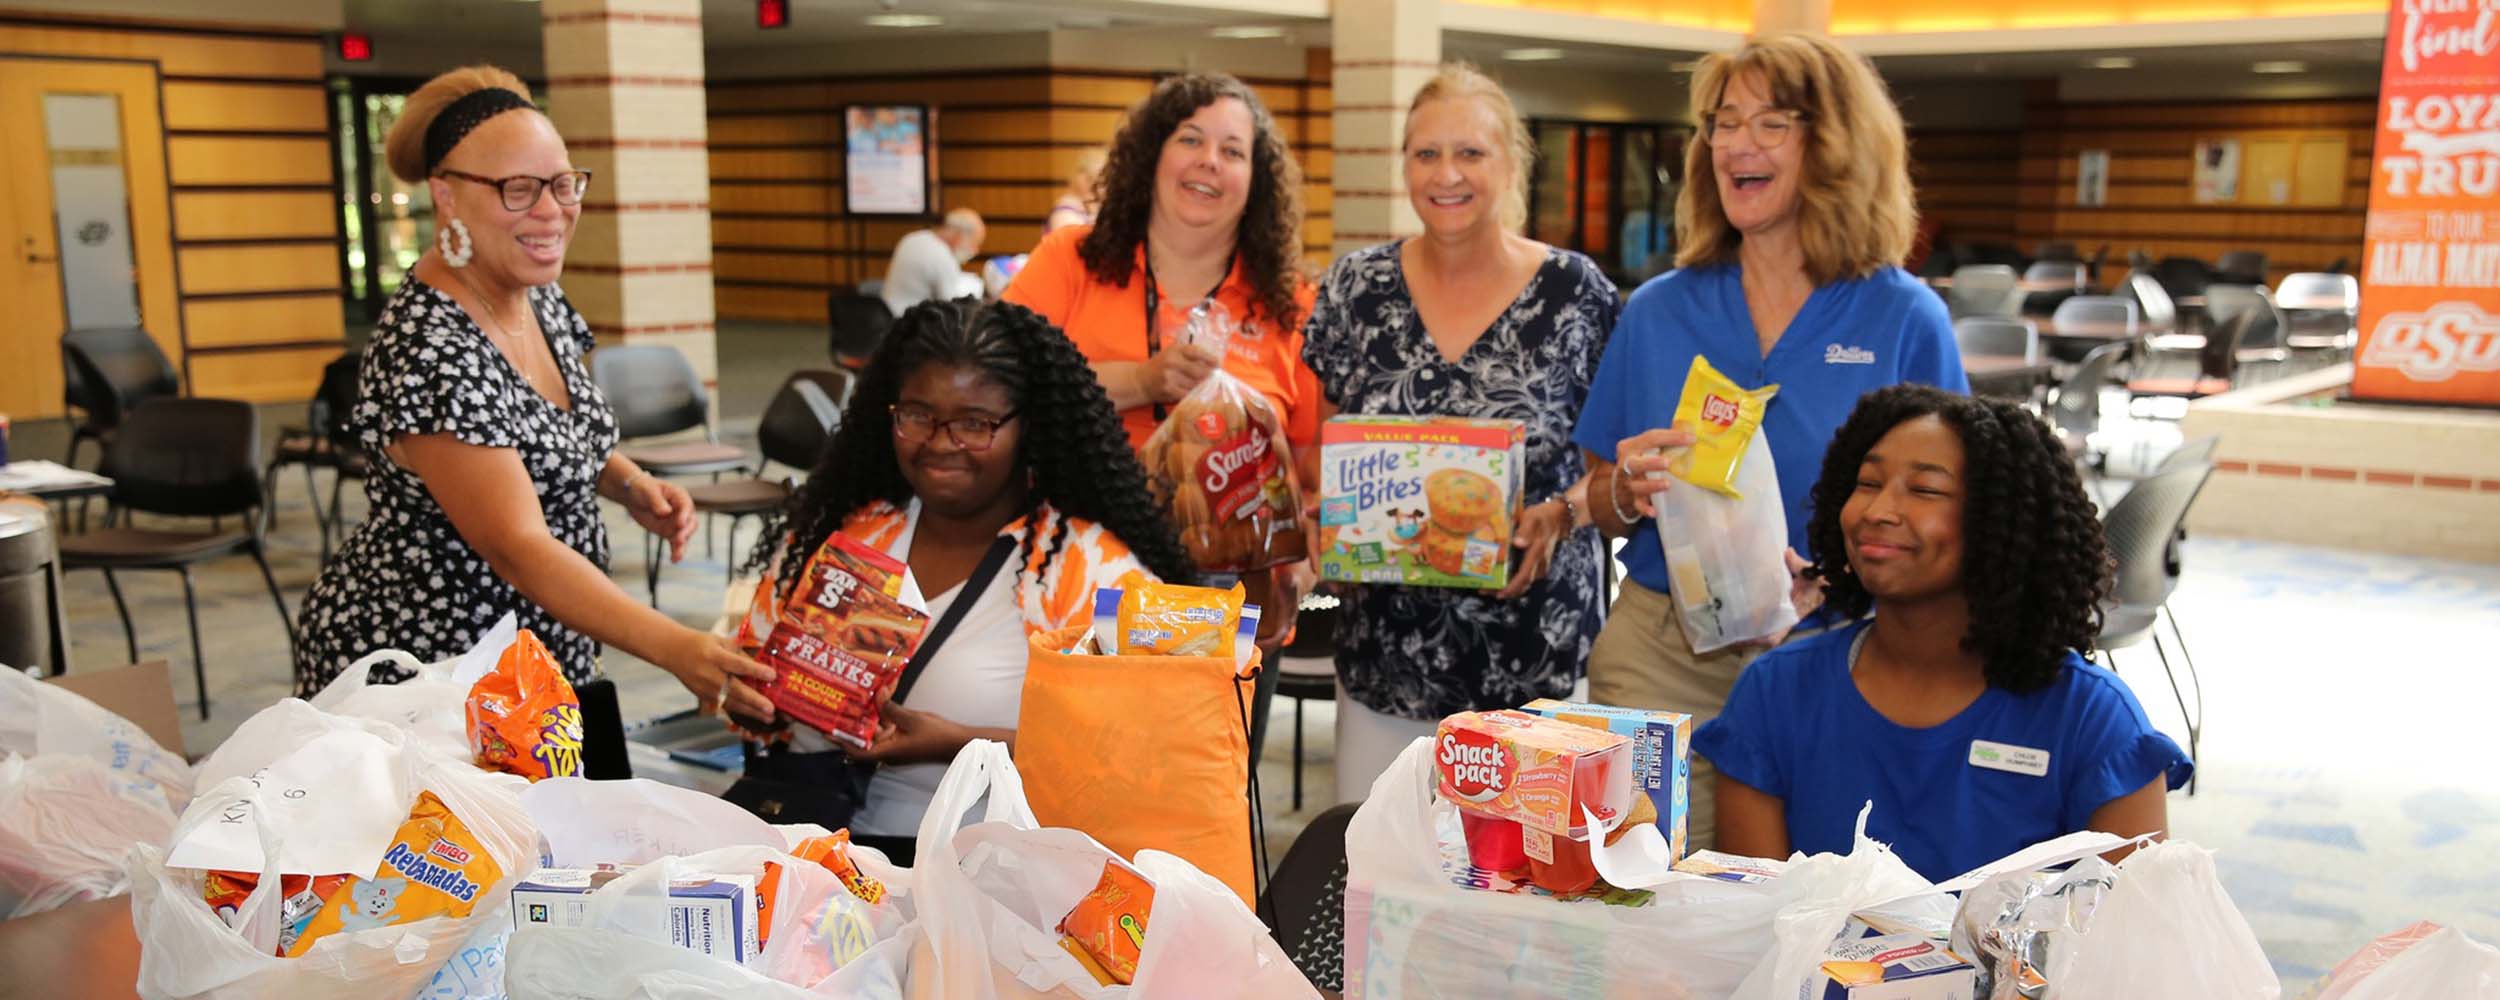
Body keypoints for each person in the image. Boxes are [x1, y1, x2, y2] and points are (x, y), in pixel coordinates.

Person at [1571, 33, 1968, 851]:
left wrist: (1847, 576)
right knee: (1649, 896)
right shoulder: (1658, 309)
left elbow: (1953, 515)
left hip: (1838, 655)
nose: (1736, 145)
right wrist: (1623, 489)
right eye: (1722, 123)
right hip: (1660, 652)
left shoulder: (1901, 317)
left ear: (1834, 146)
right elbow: (1601, 494)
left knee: (1802, 909)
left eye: (1771, 123)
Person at [292, 66, 774, 720]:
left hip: (539, 649)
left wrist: (629, 483)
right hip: (436, 669)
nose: (550, 211)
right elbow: (516, 545)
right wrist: (676, 646)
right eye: (517, 190)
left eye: (562, 183)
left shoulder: (533, 293)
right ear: (447, 197)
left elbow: (545, 433)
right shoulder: (431, 347)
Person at [734, 299, 1197, 848]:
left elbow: (1151, 755)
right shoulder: (846, 536)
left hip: (982, 880)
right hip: (814, 857)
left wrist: (960, 743)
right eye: (917, 416)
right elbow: (754, 677)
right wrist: (749, 699)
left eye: (974, 424)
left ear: (1029, 427)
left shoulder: (1091, 570)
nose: (938, 443)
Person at [1699, 386, 2191, 879]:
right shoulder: (1775, 693)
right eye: (1868, 483)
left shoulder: (2091, 720)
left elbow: (2134, 939)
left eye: (1925, 490)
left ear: (2002, 521)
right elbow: (1756, 921)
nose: (1877, 511)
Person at [1300, 65, 1618, 804]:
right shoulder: (1356, 289)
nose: (1447, 174)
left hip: (1532, 655)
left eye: (1471, 153)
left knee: (1524, 894)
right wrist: (1325, 519)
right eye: (1426, 154)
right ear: (1405, 165)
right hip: (1386, 656)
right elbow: (1328, 450)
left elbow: (1611, 476)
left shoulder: (1577, 295)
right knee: (1381, 884)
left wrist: (1563, 513)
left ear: (1512, 164)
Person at [1004, 71, 1319, 649]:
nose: (1209, 162)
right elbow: (996, 384)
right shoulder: (1069, 260)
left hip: (1230, 594)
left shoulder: (1291, 302)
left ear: (1257, 180)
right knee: (1067, 736)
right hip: (1068, 569)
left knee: (1207, 742)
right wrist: (1138, 380)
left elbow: (1309, 467)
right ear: (1152, 153)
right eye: (1190, 140)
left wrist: (1296, 565)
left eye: (1232, 151)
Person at [880, 207, 986, 317]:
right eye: (974, 243)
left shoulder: (913, 238)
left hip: (887, 316)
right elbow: (951, 306)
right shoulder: (942, 257)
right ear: (958, 236)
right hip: (911, 323)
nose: (975, 251)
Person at [1042, 147, 1108, 237]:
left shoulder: (1090, 208)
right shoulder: (1065, 211)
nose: (1102, 189)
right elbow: (1081, 243)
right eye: (1100, 183)